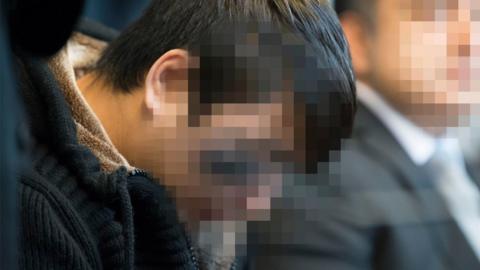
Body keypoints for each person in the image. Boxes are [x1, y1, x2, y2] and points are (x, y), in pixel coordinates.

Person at [16, 0, 356, 269]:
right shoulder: (34, 209)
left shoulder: (211, 207)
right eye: (250, 160)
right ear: (170, 84)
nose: (257, 205)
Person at [250, 0, 480, 269]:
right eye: (436, 14)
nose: (470, 40)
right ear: (357, 41)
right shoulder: (323, 173)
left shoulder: (455, 166)